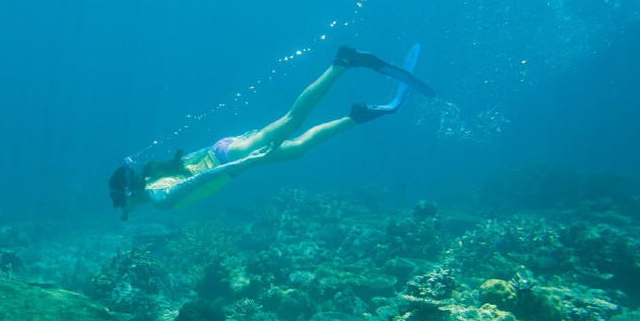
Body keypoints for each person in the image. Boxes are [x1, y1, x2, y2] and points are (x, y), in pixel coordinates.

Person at [108, 44, 433, 220]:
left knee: (292, 120)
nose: (123, 210)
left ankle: (343, 62)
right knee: (297, 149)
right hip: (228, 149)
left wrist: (246, 159)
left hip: (234, 158)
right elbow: (192, 162)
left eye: (120, 203)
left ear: (128, 194)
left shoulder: (159, 197)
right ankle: (358, 117)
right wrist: (242, 147)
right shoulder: (152, 175)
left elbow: (201, 179)